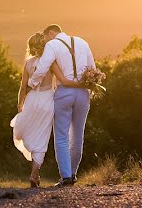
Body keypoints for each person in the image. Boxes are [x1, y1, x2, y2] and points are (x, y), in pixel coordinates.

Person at [29, 24, 95, 187]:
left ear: (50, 33)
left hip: (64, 93)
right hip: (83, 93)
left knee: (61, 136)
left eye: (44, 37)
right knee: (78, 136)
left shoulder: (52, 44)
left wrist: (31, 83)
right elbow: (93, 69)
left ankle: (66, 177)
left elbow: (42, 68)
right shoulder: (82, 42)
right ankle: (73, 174)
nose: (44, 41)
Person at [10, 32, 80, 187]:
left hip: (32, 100)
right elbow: (62, 79)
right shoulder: (50, 62)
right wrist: (81, 84)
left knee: (28, 133)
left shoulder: (28, 64)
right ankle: (34, 174)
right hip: (47, 101)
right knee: (42, 139)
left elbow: (23, 87)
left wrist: (20, 104)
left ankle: (35, 174)